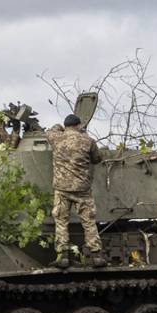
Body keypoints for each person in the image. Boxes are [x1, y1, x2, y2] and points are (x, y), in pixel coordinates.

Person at [45, 113, 105, 269]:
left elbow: (50, 130)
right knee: (89, 221)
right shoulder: (88, 141)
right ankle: (96, 255)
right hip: (82, 189)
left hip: (62, 189)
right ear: (78, 125)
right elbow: (97, 159)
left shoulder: (56, 138)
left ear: (66, 126)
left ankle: (63, 256)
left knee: (61, 220)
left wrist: (59, 128)